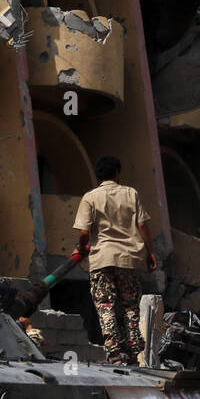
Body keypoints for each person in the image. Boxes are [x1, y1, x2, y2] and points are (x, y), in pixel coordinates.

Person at [73, 155, 157, 366]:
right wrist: (151, 253)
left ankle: (115, 355)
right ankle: (135, 351)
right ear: (117, 172)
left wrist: (82, 248)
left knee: (105, 305)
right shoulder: (131, 193)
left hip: (101, 259)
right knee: (130, 306)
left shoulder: (90, 197)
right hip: (129, 259)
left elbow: (84, 232)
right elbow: (142, 226)